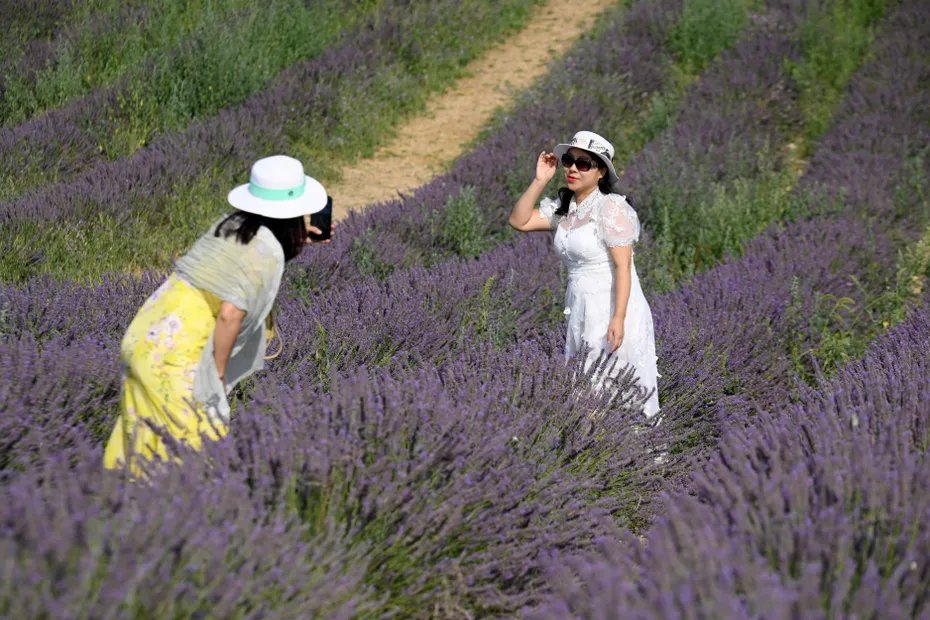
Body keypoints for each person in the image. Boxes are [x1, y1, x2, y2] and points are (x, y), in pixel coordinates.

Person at [104, 155, 331, 471]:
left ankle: (123, 497)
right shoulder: (264, 251)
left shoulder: (231, 227)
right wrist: (217, 375)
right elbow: (230, 313)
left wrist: (299, 239)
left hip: (145, 336)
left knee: (142, 443)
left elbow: (244, 266)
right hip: (177, 352)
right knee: (197, 452)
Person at [508, 130, 660, 419]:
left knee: (615, 388)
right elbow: (519, 221)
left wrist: (618, 318)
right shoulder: (565, 209)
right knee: (586, 390)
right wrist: (540, 180)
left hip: (612, 307)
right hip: (580, 307)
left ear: (601, 172)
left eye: (583, 164)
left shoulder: (611, 208)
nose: (573, 169)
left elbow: (623, 267)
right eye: (569, 161)